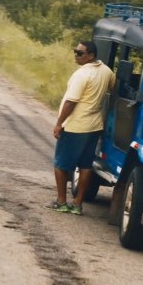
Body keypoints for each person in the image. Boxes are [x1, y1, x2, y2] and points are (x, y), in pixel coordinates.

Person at [45, 41, 115, 216]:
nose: (76, 55)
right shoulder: (106, 71)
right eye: (75, 52)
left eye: (80, 53)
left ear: (91, 56)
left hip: (76, 126)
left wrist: (59, 123)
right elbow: (112, 87)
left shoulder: (82, 75)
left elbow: (71, 101)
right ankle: (77, 204)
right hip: (94, 126)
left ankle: (61, 201)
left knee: (61, 164)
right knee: (85, 165)